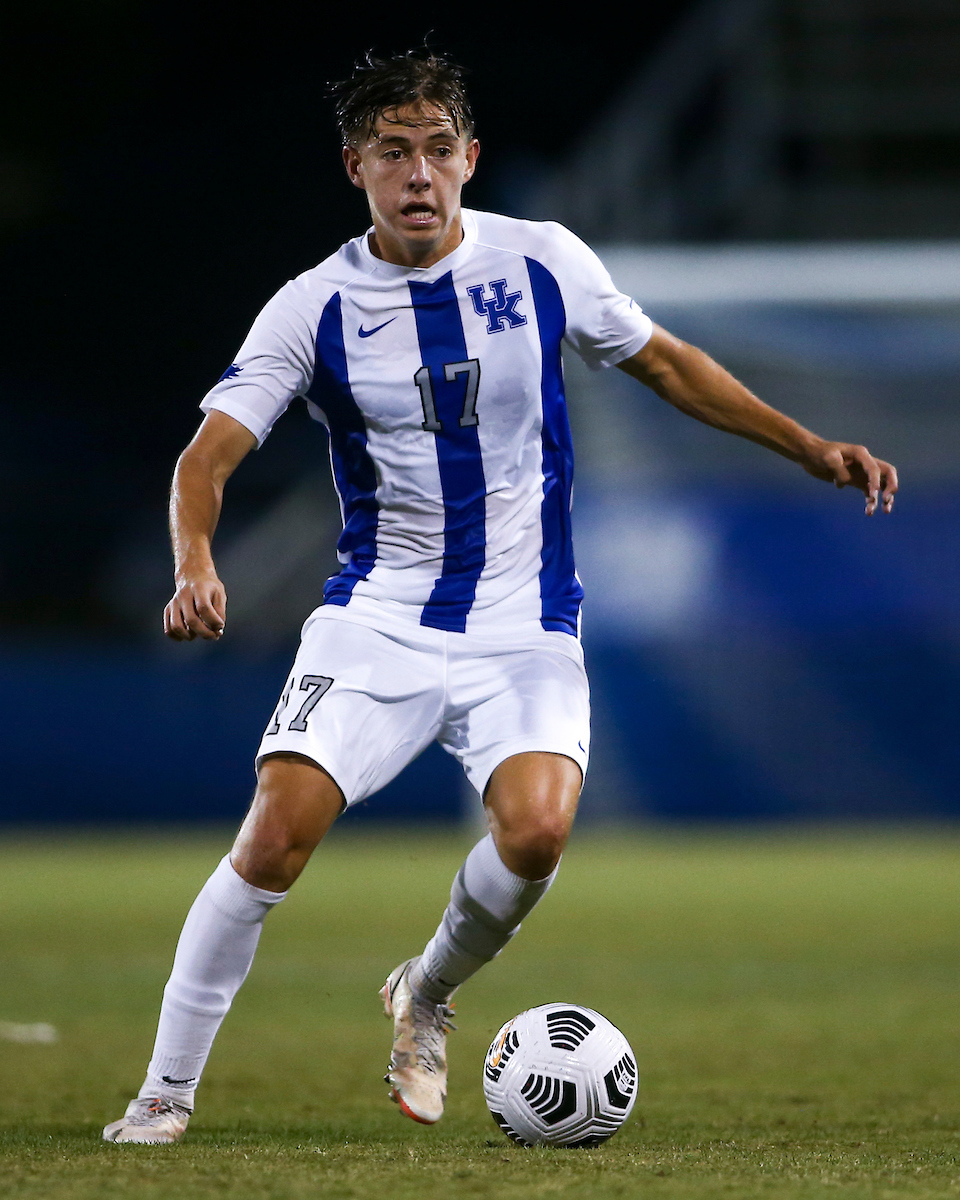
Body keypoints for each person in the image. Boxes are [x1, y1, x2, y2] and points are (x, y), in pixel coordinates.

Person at [103, 48, 898, 1144]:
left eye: (437, 149)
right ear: (357, 169)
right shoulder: (313, 307)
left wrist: (806, 445)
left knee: (535, 835)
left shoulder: (543, 262)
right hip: (378, 617)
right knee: (277, 836)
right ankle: (166, 1091)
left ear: (470, 158)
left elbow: (665, 363)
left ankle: (423, 993)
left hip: (525, 623)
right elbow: (209, 456)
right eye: (393, 154)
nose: (418, 175)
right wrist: (197, 561)